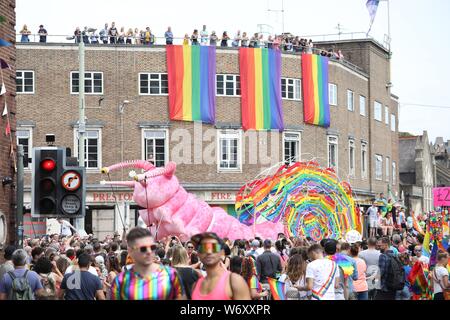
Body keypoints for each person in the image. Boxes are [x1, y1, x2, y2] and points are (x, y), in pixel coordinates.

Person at [111, 227, 185, 300]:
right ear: (130, 251)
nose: (149, 251)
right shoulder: (120, 281)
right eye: (143, 248)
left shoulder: (171, 275)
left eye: (152, 247)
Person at [191, 232, 251, 300]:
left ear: (222, 252)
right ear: (198, 253)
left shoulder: (234, 281)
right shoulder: (196, 286)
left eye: (214, 247)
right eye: (203, 248)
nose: (209, 252)